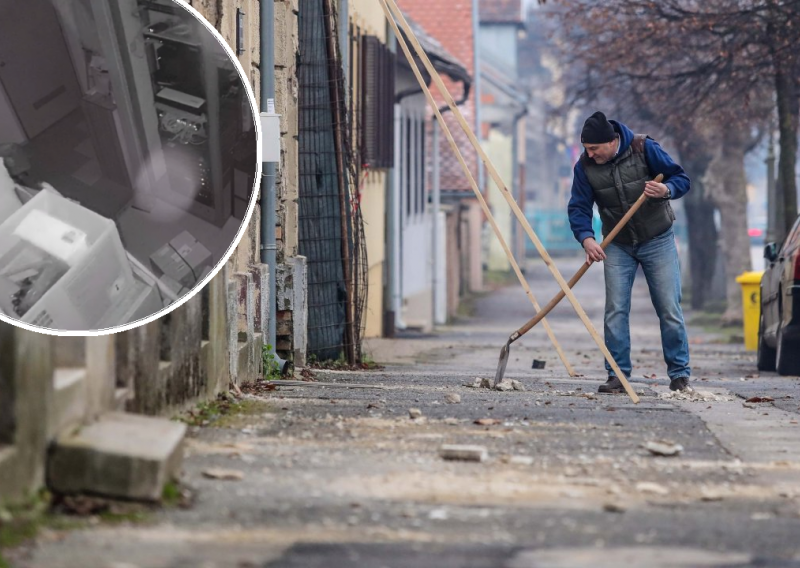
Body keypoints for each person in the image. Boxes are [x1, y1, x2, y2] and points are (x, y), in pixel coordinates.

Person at [568, 111, 692, 393]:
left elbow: (681, 178)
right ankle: (617, 375)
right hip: (617, 244)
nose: (590, 154)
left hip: (657, 238)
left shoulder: (644, 148)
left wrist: (666, 189)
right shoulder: (585, 167)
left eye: (594, 148)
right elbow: (578, 207)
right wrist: (587, 239)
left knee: (669, 307)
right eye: (587, 148)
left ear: (612, 142)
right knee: (615, 310)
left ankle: (680, 374)